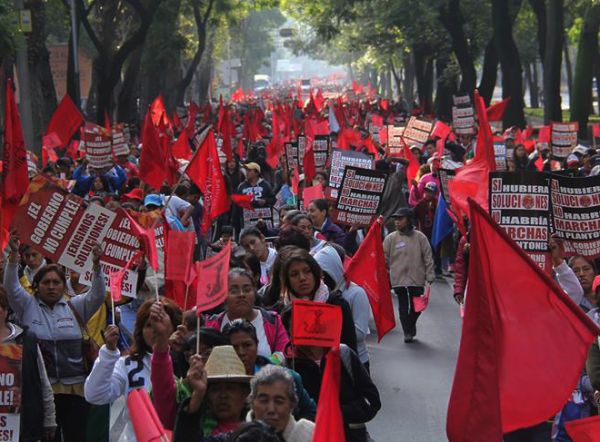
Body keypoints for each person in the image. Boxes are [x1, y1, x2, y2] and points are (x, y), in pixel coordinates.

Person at [4, 233, 106, 441]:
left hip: (75, 390)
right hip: (42, 390)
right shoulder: (26, 305)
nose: (51, 287)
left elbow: (97, 294)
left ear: (63, 285)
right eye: (46, 283)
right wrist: (14, 255)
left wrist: (96, 266)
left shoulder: (75, 305)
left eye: (56, 282)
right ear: (36, 286)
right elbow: (11, 287)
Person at [84, 299, 182, 440]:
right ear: (140, 330)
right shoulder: (128, 364)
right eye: (149, 325)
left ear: (174, 326)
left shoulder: (188, 358)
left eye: (161, 322)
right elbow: (95, 395)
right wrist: (108, 354)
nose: (156, 329)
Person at [222, 319, 316, 421]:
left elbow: (311, 414)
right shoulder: (216, 384)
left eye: (247, 345)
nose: (241, 352)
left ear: (257, 345)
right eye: (234, 347)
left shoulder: (288, 379)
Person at [0, 286, 56, 441]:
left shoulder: (26, 340)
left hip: (22, 426)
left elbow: (43, 382)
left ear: (5, 310)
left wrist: (49, 419)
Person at [280, 248, 357, 352]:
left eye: (307, 271)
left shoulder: (336, 304)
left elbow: (349, 351)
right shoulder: (282, 311)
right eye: (294, 274)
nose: (302, 278)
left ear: (315, 273)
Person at [204, 268, 289, 358]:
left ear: (255, 292)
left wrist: (263, 366)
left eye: (247, 290)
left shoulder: (273, 321)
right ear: (224, 295)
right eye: (234, 291)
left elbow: (283, 353)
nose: (241, 295)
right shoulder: (211, 325)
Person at [173, 346, 253, 440]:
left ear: (245, 394)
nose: (223, 395)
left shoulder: (258, 432)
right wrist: (198, 392)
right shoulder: (199, 430)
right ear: (206, 396)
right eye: (215, 389)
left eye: (230, 388)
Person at [314, 246, 371, 371]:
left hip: (357, 360)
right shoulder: (318, 295)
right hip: (328, 361)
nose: (322, 279)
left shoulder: (356, 293)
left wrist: (327, 330)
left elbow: (360, 334)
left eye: (325, 274)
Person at [383, 207, 434, 343]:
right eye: (396, 219)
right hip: (398, 279)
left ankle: (411, 325)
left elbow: (428, 257)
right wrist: (385, 274)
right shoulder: (390, 239)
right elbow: (383, 258)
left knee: (417, 307)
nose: (397, 222)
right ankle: (407, 332)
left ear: (409, 220)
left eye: (400, 219)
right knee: (403, 306)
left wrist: (430, 274)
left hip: (416, 278)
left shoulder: (420, 238)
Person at [245, 365, 314, 441]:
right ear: (252, 403)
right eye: (264, 401)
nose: (271, 409)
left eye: (279, 402)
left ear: (291, 405)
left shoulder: (310, 435)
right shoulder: (238, 436)